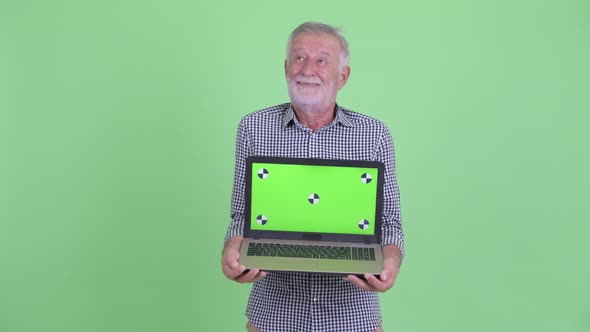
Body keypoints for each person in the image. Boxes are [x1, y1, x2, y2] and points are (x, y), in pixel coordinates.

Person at [221, 21, 405, 332]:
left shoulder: (374, 135)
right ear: (285, 67)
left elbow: (388, 223)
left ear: (342, 76)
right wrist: (232, 250)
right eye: (299, 57)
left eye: (322, 60)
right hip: (274, 314)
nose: (309, 69)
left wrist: (390, 264)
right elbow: (243, 214)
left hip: (352, 317)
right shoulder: (254, 128)